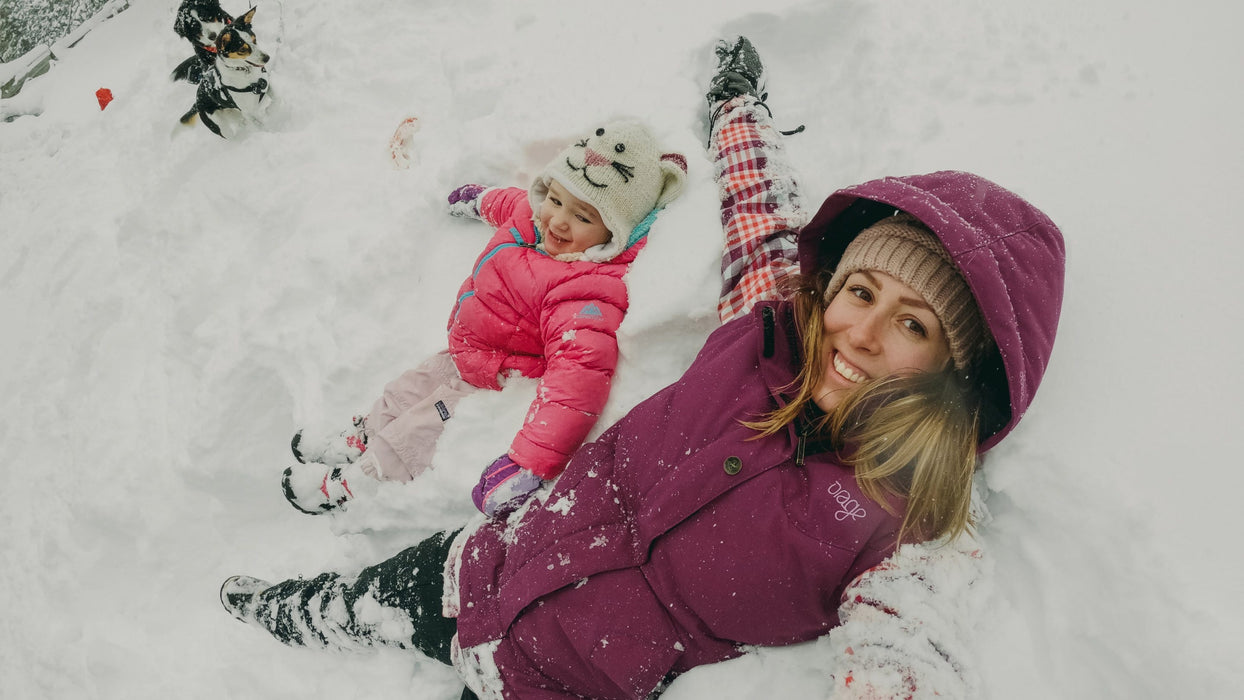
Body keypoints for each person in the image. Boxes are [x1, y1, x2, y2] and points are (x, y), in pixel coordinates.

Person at [220, 37, 1065, 699]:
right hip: (487, 560)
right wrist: (735, 103)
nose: (864, 332)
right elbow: (756, 203)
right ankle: (297, 611)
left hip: (560, 682)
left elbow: (908, 650)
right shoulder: (770, 327)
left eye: (913, 324)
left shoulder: (911, 522)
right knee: (368, 598)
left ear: (958, 366)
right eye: (861, 291)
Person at [282, 122, 688, 517]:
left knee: (419, 430)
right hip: (467, 348)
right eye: (555, 199)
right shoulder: (533, 216)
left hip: (496, 375)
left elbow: (577, 381)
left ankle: (358, 484)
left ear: (614, 231)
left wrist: (530, 463)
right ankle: (363, 435)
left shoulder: (587, 290)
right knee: (406, 390)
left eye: (583, 217)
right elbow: (510, 203)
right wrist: (479, 200)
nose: (558, 221)